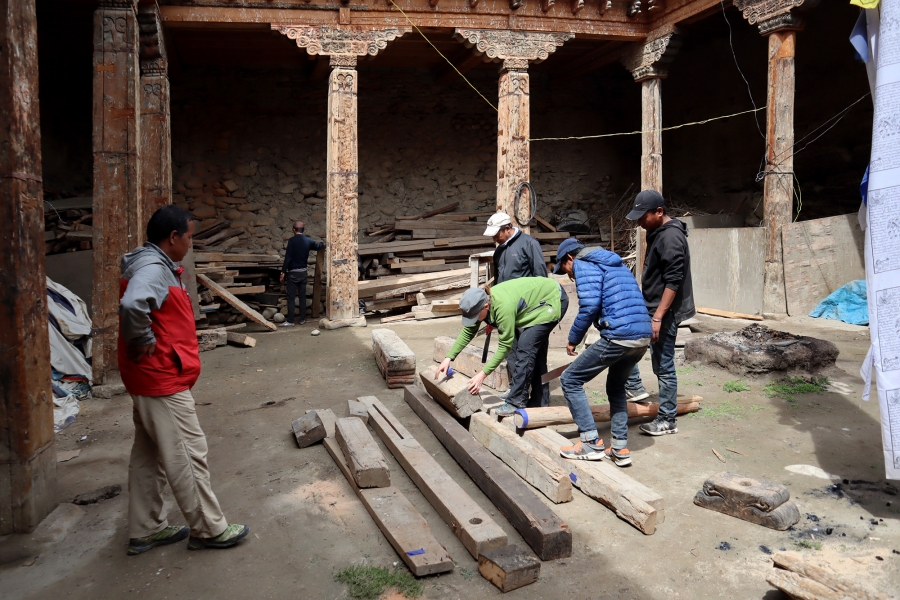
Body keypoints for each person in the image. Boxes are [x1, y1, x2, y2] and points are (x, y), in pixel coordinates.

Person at [119, 205, 249, 556]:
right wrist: (143, 339)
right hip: (160, 379)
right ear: (173, 237)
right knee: (188, 454)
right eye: (190, 236)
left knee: (149, 456)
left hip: (150, 378)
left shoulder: (154, 263)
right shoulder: (152, 268)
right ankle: (209, 528)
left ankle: (146, 529)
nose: (192, 242)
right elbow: (133, 305)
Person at [552, 238, 652, 466]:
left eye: (566, 270)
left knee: (570, 379)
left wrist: (573, 339)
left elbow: (589, 305)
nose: (570, 276)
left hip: (619, 336)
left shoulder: (583, 264)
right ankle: (619, 448)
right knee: (616, 386)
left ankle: (590, 442)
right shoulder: (614, 264)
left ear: (570, 258)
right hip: (642, 335)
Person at [437, 277, 568, 416]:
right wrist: (448, 357)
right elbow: (469, 331)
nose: (473, 321)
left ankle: (516, 401)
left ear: (485, 307)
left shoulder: (503, 306)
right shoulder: (480, 303)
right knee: (531, 352)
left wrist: (482, 375)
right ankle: (539, 401)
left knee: (525, 349)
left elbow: (504, 346)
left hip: (551, 300)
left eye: (474, 317)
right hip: (537, 300)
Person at [623, 190, 695, 436]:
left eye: (643, 217)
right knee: (634, 348)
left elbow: (673, 282)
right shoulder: (656, 233)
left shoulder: (671, 238)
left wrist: (658, 317)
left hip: (664, 312)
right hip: (652, 306)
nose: (639, 222)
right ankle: (635, 387)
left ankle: (667, 419)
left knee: (664, 365)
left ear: (659, 212)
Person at [280, 220, 324, 326]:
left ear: (293, 230)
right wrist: (324, 244)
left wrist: (282, 272)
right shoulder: (308, 241)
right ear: (304, 230)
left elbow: (288, 258)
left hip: (293, 274)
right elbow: (319, 246)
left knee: (291, 297)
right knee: (302, 296)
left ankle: (290, 321)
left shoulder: (291, 241)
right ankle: (302, 319)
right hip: (303, 273)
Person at [484, 211, 547, 285]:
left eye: (497, 235)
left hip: (524, 295)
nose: (494, 239)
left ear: (507, 229)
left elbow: (540, 275)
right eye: (493, 236)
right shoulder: (498, 251)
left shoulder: (529, 244)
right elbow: (497, 278)